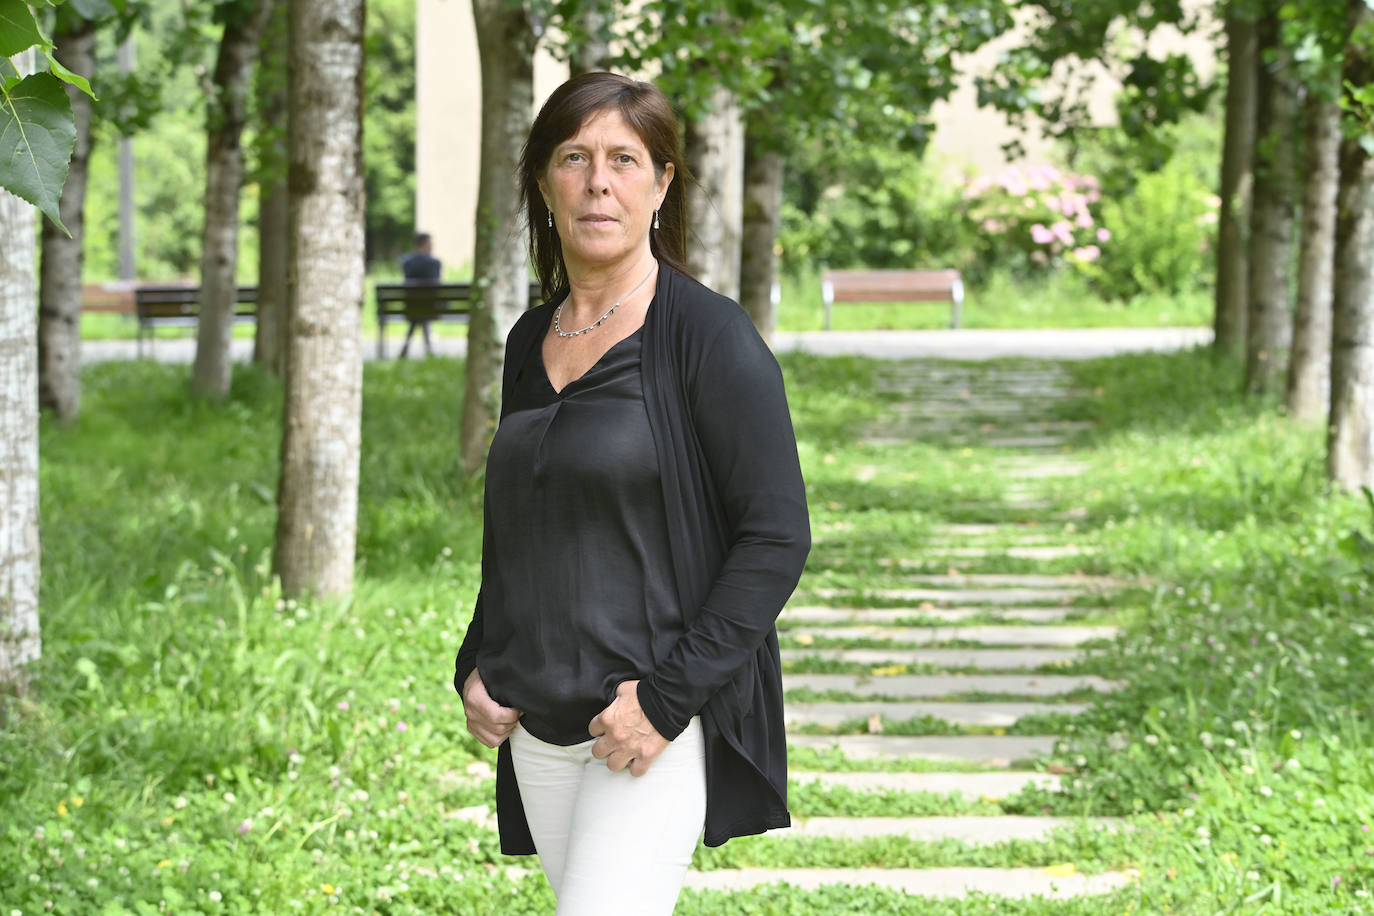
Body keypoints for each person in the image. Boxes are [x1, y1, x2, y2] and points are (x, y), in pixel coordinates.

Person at [452, 72, 810, 915]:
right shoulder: (528, 340)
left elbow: (775, 539)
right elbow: (520, 527)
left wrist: (663, 701)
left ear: (662, 181)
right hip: (541, 729)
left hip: (651, 727)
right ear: (543, 182)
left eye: (623, 158)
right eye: (574, 158)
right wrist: (478, 658)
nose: (598, 182)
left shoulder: (709, 337)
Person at [399, 232, 442, 357]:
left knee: (418, 314)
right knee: (423, 313)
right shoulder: (435, 263)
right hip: (431, 308)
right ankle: (428, 349)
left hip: (410, 307)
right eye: (431, 243)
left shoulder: (407, 262)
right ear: (425, 244)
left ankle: (406, 347)